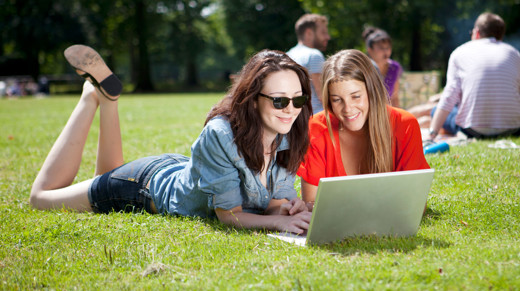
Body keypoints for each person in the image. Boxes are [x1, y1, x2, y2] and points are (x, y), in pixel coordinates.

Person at [30, 45, 313, 234]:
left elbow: (270, 201)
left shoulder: (288, 135)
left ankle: (107, 98)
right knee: (41, 198)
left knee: (104, 175)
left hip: (176, 170)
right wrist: (277, 221)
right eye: (279, 101)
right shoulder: (221, 133)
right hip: (140, 187)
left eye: (298, 99)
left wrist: (286, 207)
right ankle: (89, 96)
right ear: (253, 101)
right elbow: (229, 215)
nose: (291, 109)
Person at [297, 49, 429, 203]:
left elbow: (417, 202)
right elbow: (311, 203)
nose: (348, 108)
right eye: (337, 99)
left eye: (356, 96)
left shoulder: (404, 124)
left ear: (371, 91)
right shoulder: (316, 128)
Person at [429, 13, 520, 140]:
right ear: (500, 36)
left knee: (435, 110)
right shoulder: (514, 53)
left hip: (473, 130)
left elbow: (449, 96)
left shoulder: (458, 53)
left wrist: (432, 134)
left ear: (477, 32)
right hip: (513, 128)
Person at [287, 13, 331, 114]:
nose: (327, 37)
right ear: (309, 33)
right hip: (317, 119)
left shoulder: (288, 55)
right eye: (323, 32)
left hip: (298, 120)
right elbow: (322, 96)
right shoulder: (314, 55)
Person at [362, 26, 402, 108]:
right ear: (370, 50)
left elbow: (394, 98)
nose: (385, 51)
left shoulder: (394, 67)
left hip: (388, 112)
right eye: (381, 48)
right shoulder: (362, 68)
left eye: (388, 48)